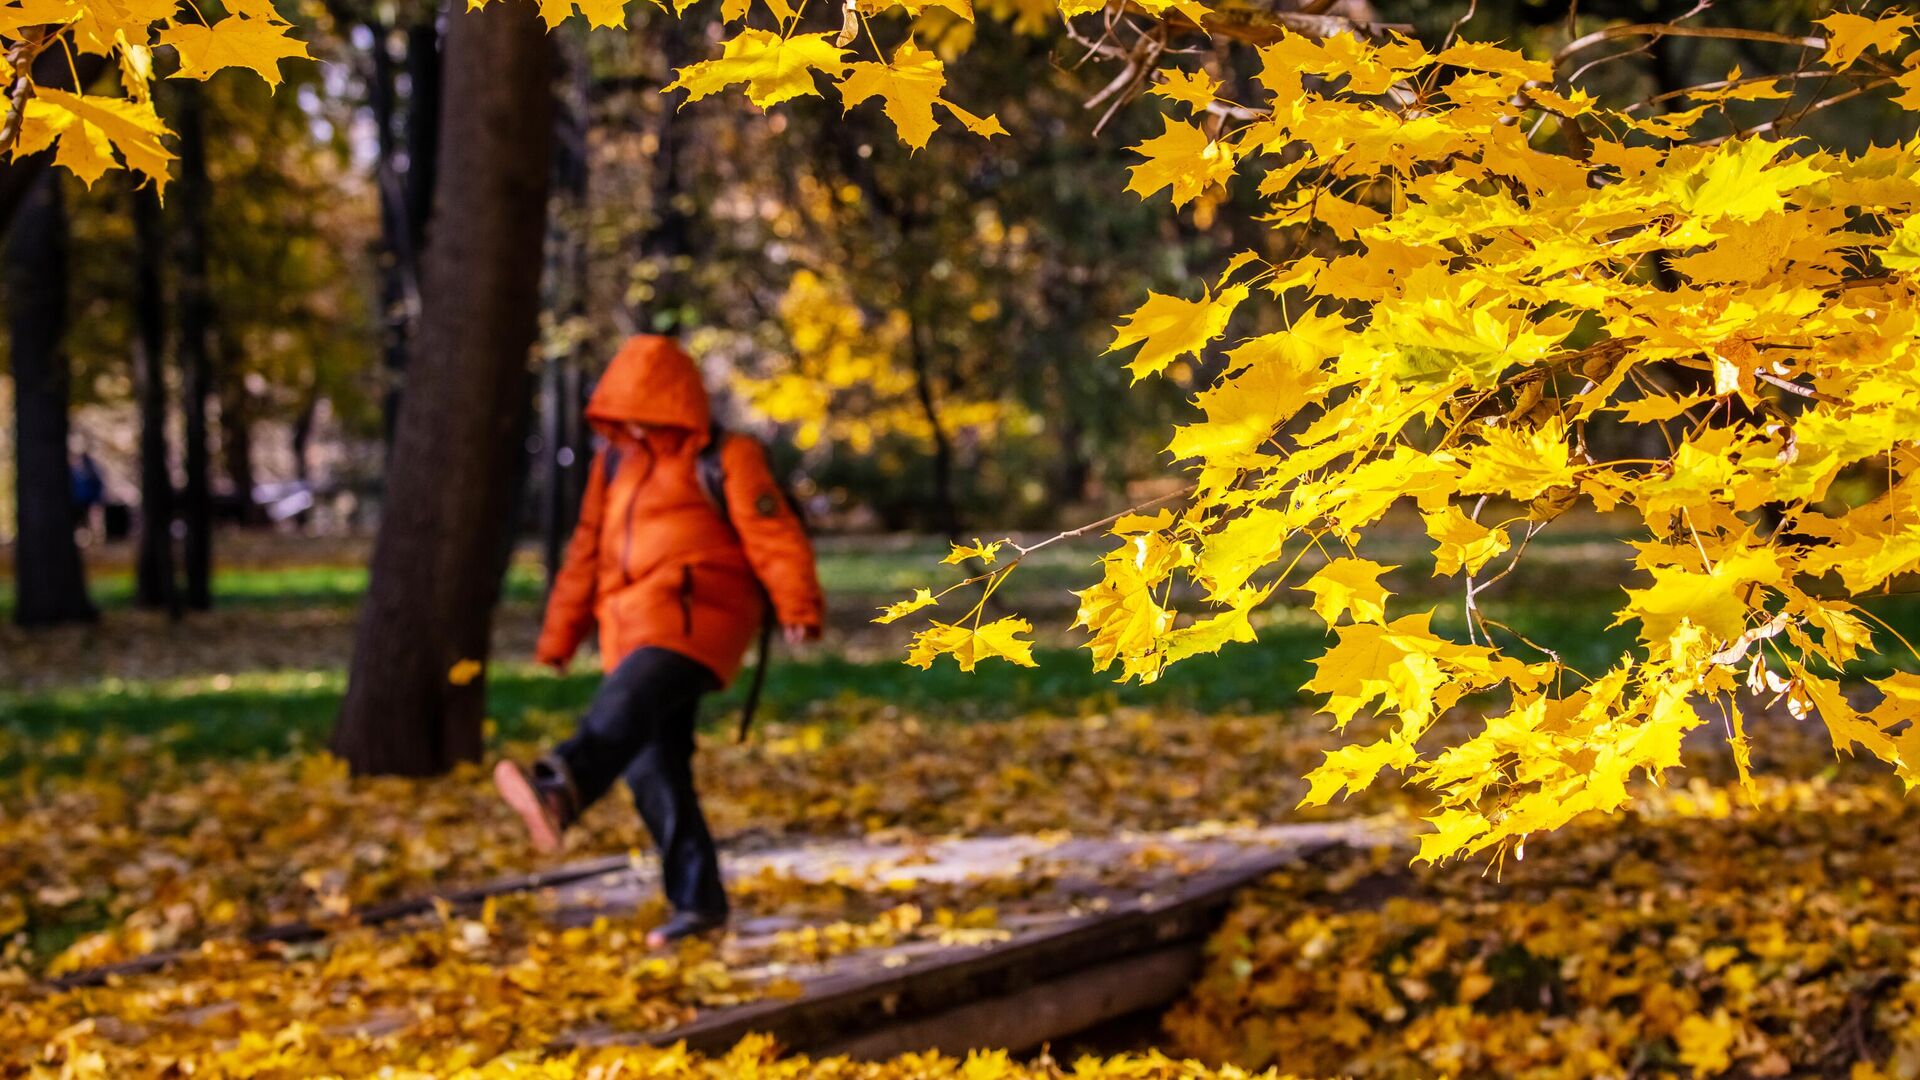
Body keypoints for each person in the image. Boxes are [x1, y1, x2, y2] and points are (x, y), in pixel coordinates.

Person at [494, 334, 823, 948]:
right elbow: (587, 550)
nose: (636, 425)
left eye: (644, 409)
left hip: (698, 619)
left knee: (626, 705)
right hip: (629, 626)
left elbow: (772, 533)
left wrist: (797, 604)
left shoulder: (728, 455)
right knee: (654, 768)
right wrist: (560, 634)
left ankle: (561, 786)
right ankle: (697, 905)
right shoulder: (613, 464)